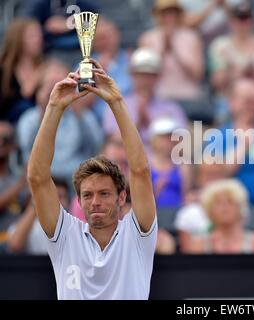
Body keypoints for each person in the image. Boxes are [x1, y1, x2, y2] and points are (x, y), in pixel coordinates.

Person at [26, 59, 157, 299]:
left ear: (122, 197)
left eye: (104, 193)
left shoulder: (137, 234)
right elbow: (37, 177)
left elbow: (140, 171)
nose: (95, 201)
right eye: (88, 194)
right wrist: (54, 107)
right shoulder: (65, 235)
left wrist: (116, 102)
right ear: (79, 199)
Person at [186, 179, 254, 254]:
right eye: (218, 203)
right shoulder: (198, 245)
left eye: (230, 202)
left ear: (240, 207)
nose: (224, 208)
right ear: (209, 209)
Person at [0, 18, 44, 123]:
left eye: (39, 35)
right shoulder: (4, 70)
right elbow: (26, 92)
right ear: (18, 39)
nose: (38, 39)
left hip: (40, 123)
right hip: (11, 123)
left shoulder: (46, 66)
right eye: (32, 36)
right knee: (26, 108)